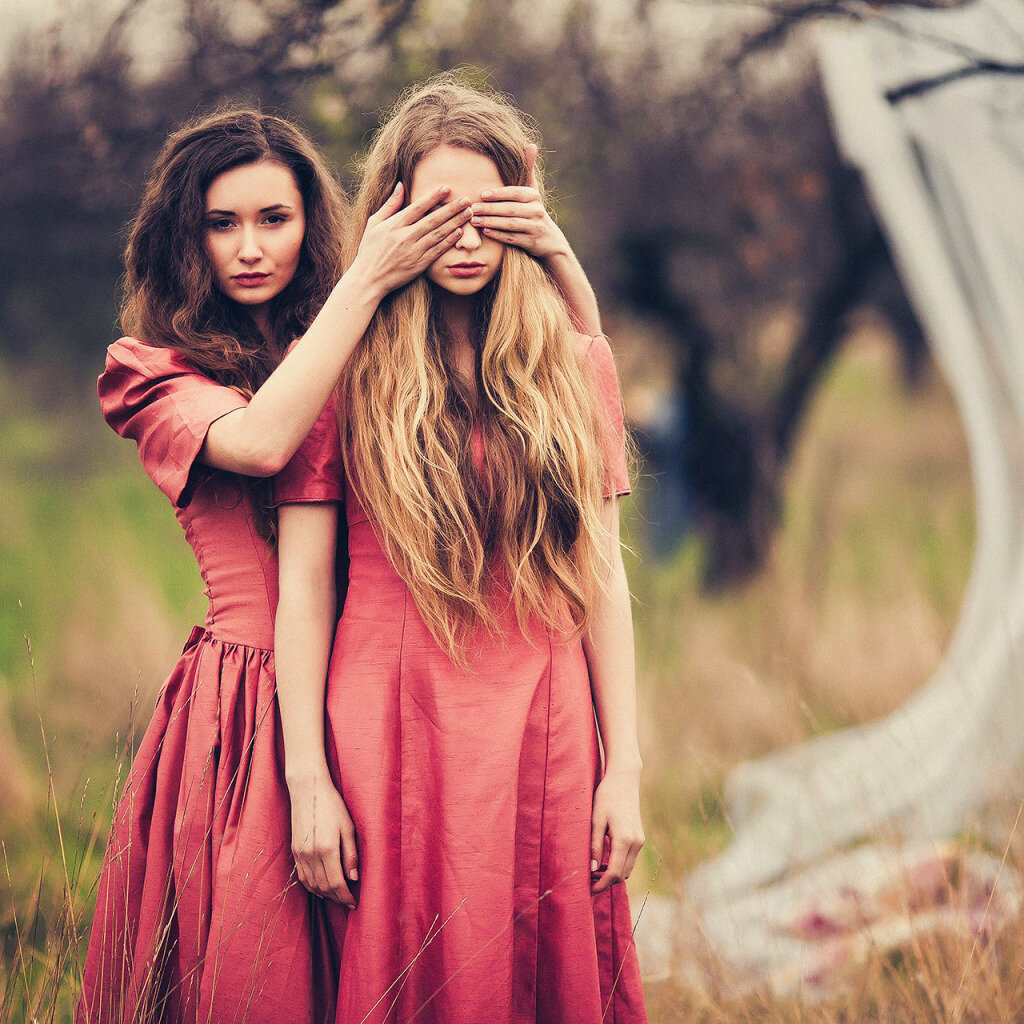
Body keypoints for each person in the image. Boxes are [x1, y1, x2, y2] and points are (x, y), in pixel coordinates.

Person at [77, 104, 606, 1024]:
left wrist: (550, 258)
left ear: (310, 224)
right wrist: (369, 277)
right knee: (263, 971)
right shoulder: (151, 370)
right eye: (221, 223)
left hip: (376, 690)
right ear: (182, 238)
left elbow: (569, 384)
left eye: (274, 220)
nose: (250, 248)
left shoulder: (361, 340)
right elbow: (266, 437)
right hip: (250, 704)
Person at [275, 76, 647, 1024]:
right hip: (390, 722)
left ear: (523, 214)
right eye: (440, 213)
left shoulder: (572, 363)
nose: (468, 239)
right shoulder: (338, 368)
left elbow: (603, 585)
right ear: (392, 216)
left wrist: (626, 767)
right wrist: (307, 779)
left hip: (544, 719)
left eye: (489, 213)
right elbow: (305, 592)